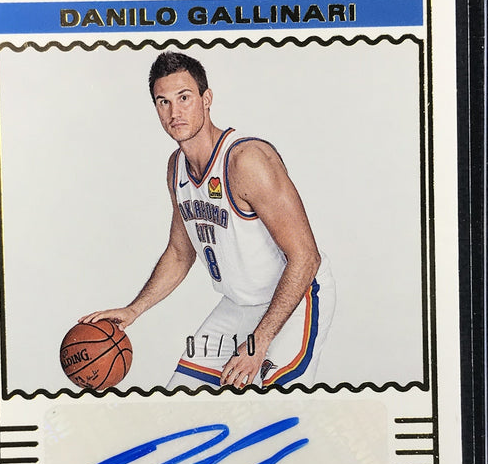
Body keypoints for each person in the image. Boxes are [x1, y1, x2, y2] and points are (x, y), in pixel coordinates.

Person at [81, 51, 335, 390]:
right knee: (179, 403)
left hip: (296, 300)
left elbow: (306, 258)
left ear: (206, 99)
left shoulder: (246, 161)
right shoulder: (176, 167)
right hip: (239, 306)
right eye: (163, 102)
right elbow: (179, 253)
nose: (175, 112)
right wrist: (134, 310)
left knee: (272, 411)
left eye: (184, 97)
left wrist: (258, 344)